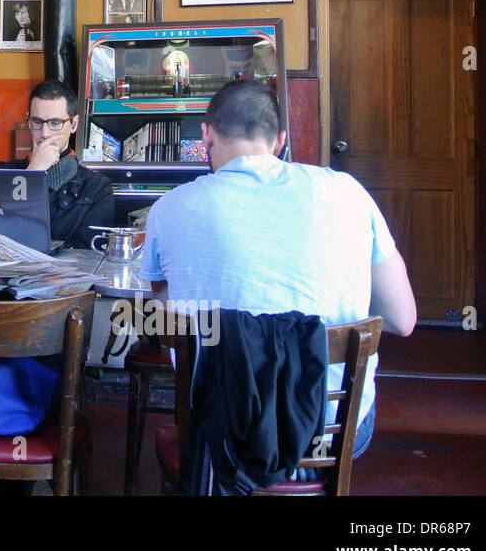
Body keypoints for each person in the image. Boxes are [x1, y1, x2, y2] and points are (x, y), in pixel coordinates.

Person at [140, 81, 417, 460]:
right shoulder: (348, 191)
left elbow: (163, 315)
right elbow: (403, 320)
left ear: (205, 135)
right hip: (330, 434)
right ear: (280, 140)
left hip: (223, 432)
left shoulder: (169, 207)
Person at [0, 81, 114, 249]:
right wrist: (33, 173)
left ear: (74, 124)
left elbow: (86, 254)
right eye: (37, 122)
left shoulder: (97, 188)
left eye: (55, 123)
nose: (45, 133)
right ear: (29, 121)